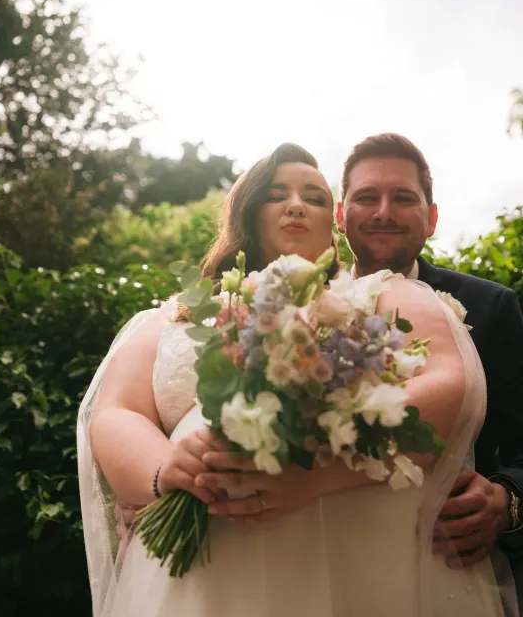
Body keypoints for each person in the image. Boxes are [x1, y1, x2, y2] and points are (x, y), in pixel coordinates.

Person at [78, 142, 512, 616]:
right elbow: (119, 411)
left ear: (335, 223)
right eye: (276, 193)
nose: (297, 204)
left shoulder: (385, 295)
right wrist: (162, 474)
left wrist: (313, 477)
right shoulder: (176, 315)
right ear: (247, 210)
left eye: (314, 195)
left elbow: (450, 385)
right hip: (201, 573)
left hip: (366, 558)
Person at [336, 132, 523, 593]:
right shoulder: (300, 308)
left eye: (403, 197)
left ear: (432, 217)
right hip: (326, 557)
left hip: (449, 566)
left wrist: (507, 499)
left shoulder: (492, 308)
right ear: (341, 215)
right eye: (366, 197)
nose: (383, 211)